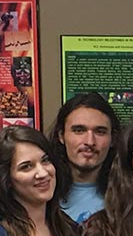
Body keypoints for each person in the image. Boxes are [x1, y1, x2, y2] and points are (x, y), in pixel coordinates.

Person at [51, 92, 119, 222]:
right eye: (79, 130)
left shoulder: (128, 194)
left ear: (113, 139)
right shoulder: (43, 191)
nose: (89, 141)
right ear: (61, 136)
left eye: (100, 132)